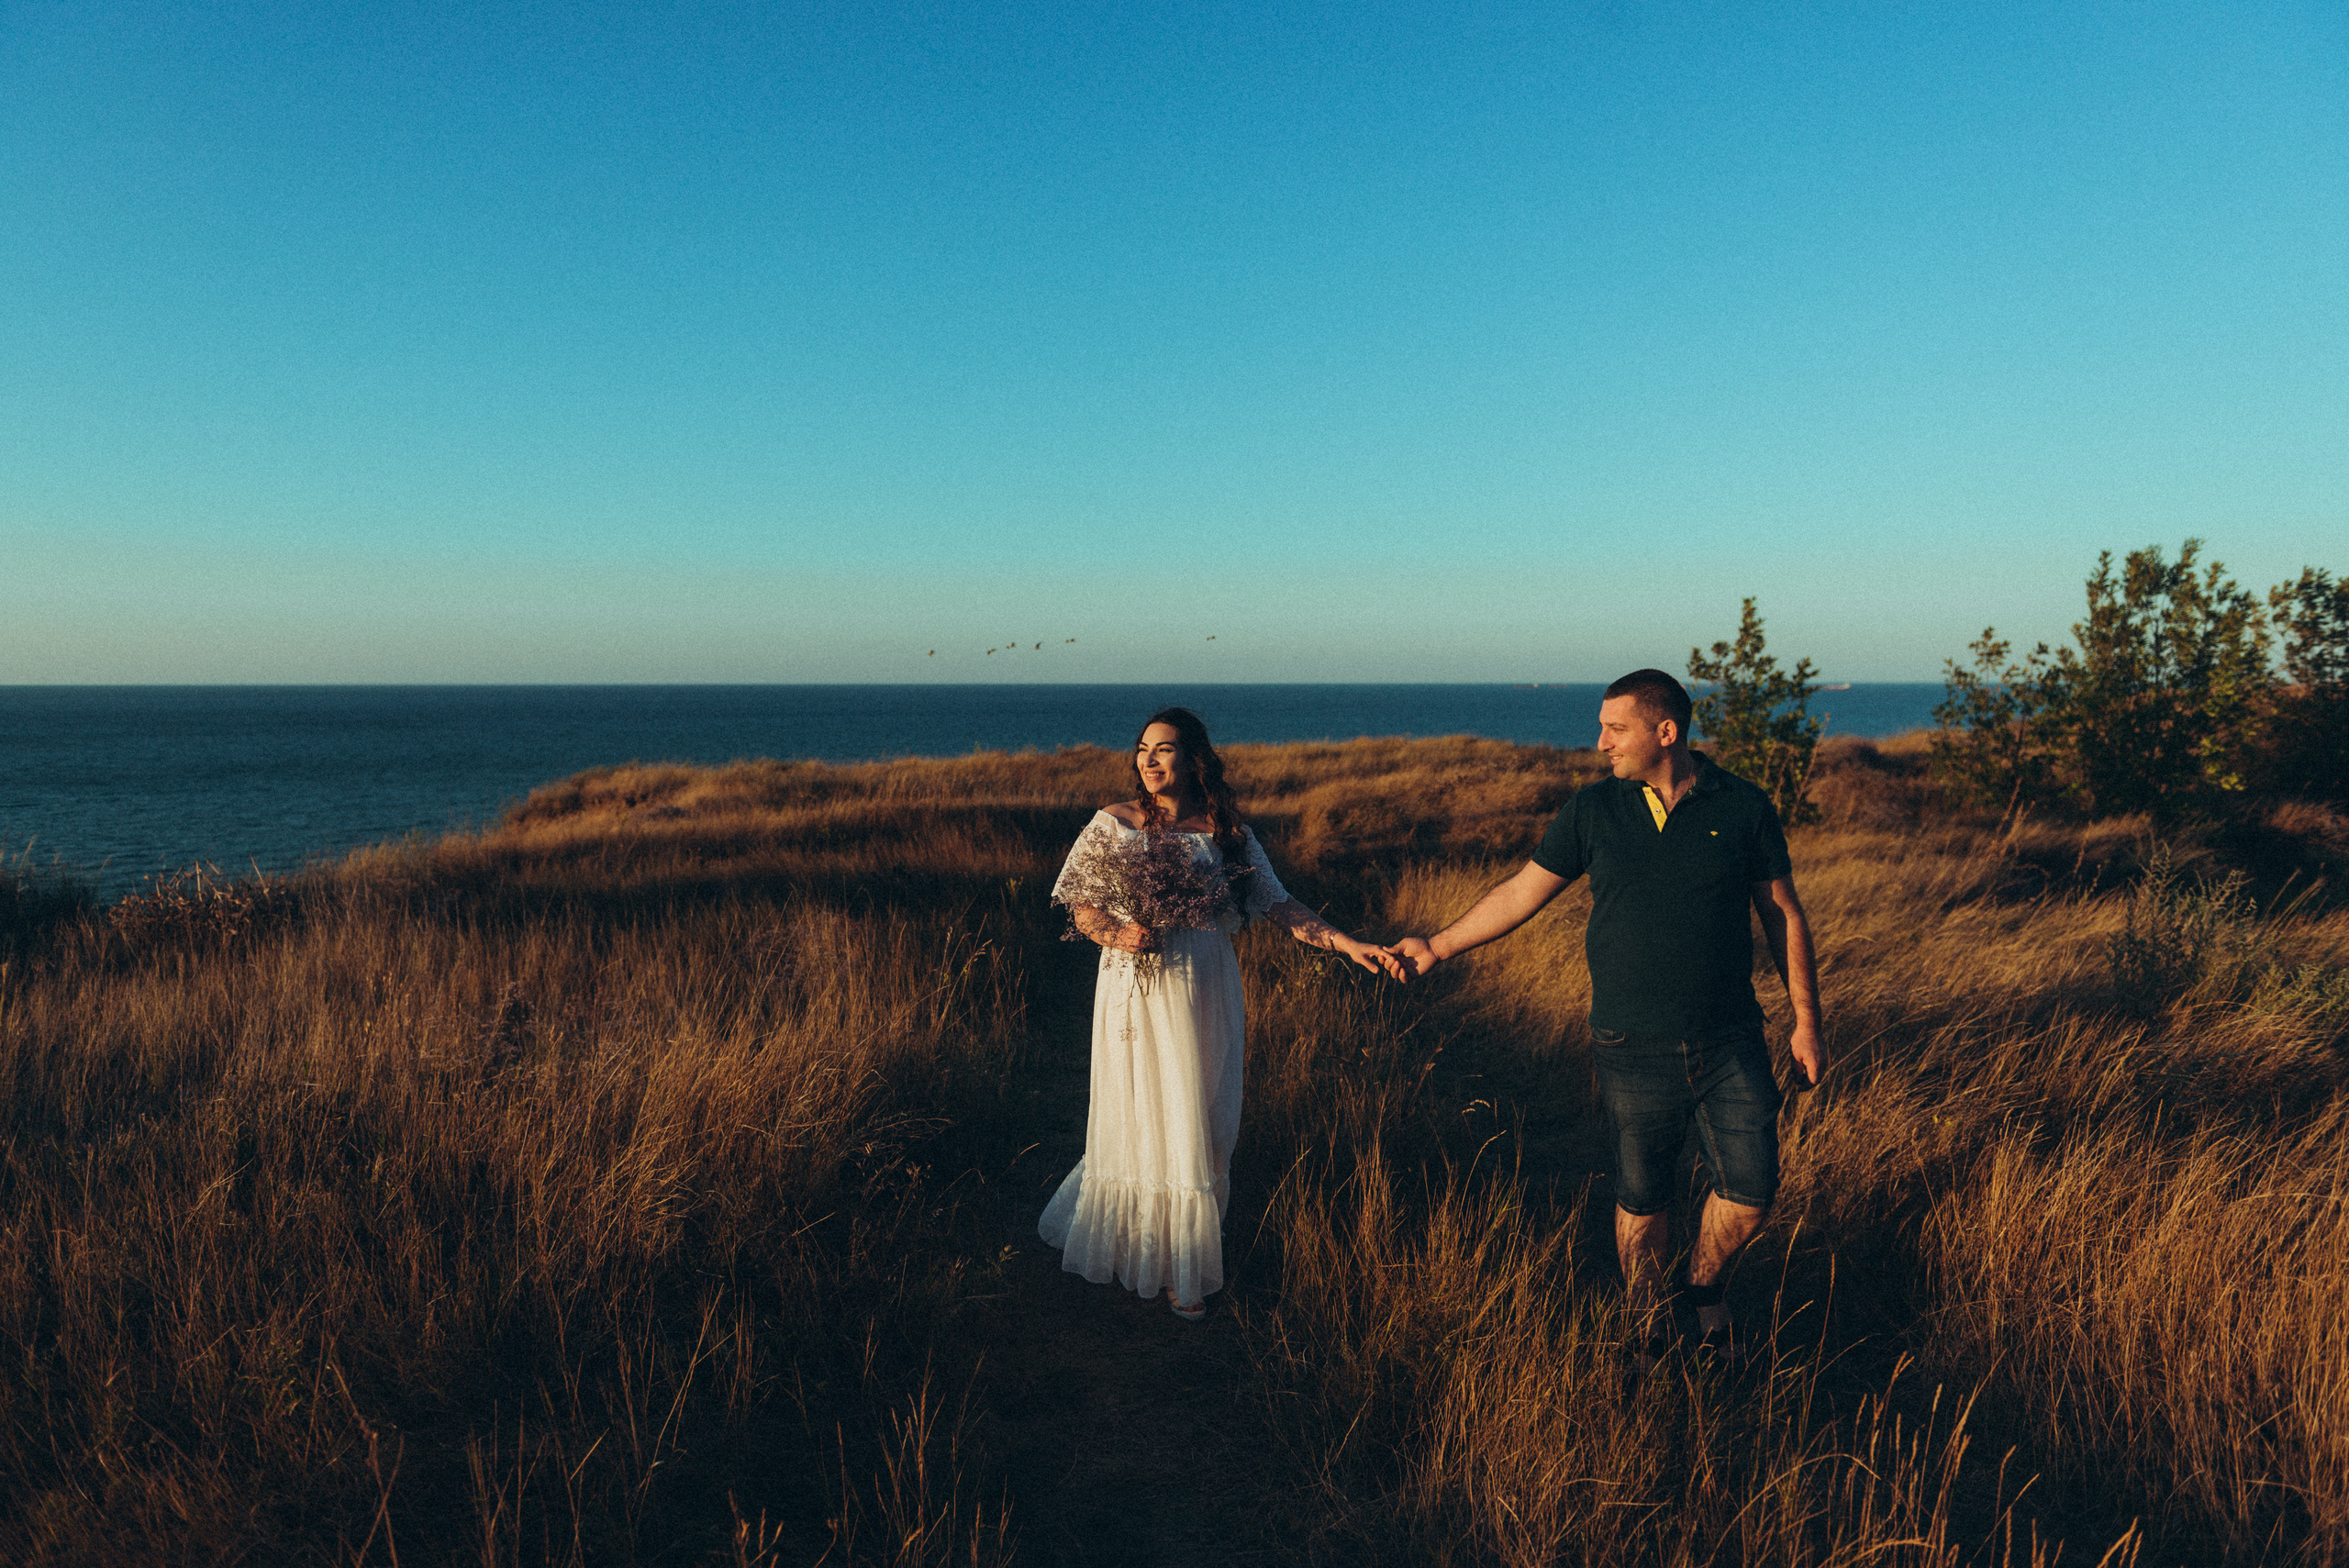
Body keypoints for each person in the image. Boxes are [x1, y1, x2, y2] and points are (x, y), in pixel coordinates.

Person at [1386, 670, 1824, 1370]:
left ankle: (1702, 1285)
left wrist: (1807, 1020)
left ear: (1666, 731)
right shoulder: (1594, 811)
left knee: (1751, 1191)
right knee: (1643, 1192)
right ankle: (1650, 1321)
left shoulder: (1743, 806)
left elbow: (1781, 913)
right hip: (1629, 1039)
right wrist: (1436, 945)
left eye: (1614, 729)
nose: (1600, 743)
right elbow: (1522, 891)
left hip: (1731, 1036)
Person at [1041, 706, 1400, 1319]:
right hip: (1134, 985)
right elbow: (1080, 905)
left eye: (1166, 749)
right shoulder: (1112, 822)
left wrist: (1349, 943)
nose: (1150, 760)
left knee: (1203, 1117)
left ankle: (1189, 1263)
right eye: (1143, 749)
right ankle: (1141, 1251)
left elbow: (1279, 905)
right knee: (1139, 1109)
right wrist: (1120, 933)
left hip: (1204, 982)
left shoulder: (1225, 830)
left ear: (1195, 758)